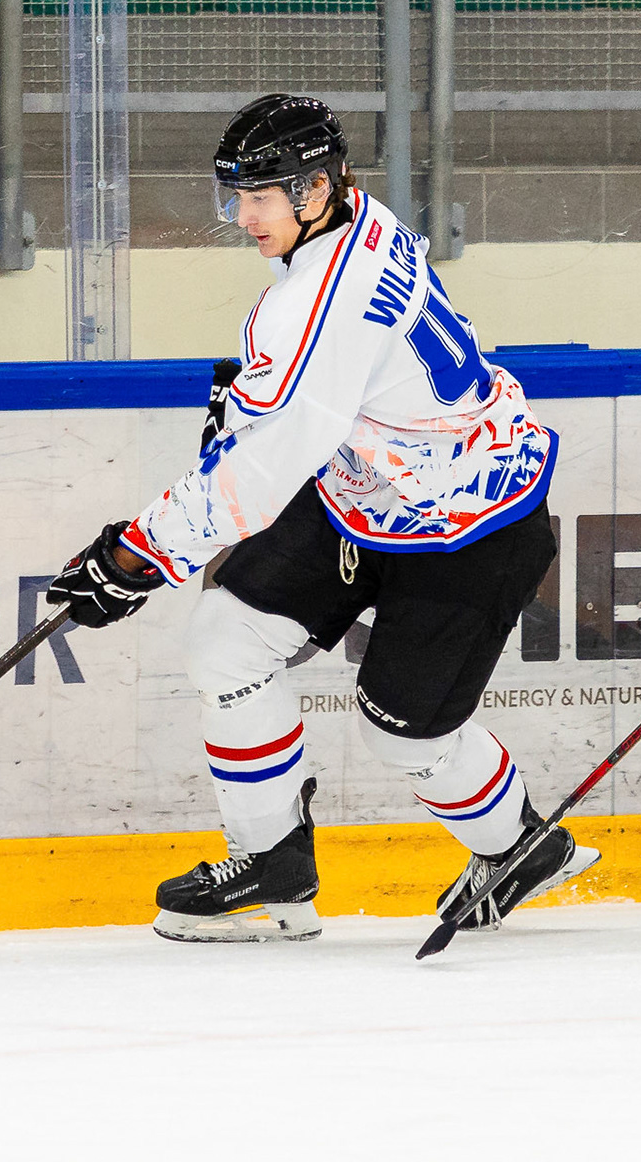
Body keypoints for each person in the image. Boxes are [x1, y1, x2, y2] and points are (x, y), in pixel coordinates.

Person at [45, 94, 598, 942]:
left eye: (260, 197)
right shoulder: (352, 221)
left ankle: (518, 848)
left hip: (473, 523)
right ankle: (271, 869)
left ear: (316, 188)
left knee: (404, 734)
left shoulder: (320, 295)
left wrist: (136, 558)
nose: (242, 217)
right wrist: (255, 403)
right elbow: (322, 398)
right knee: (227, 640)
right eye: (236, 195)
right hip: (367, 492)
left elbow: (262, 471)